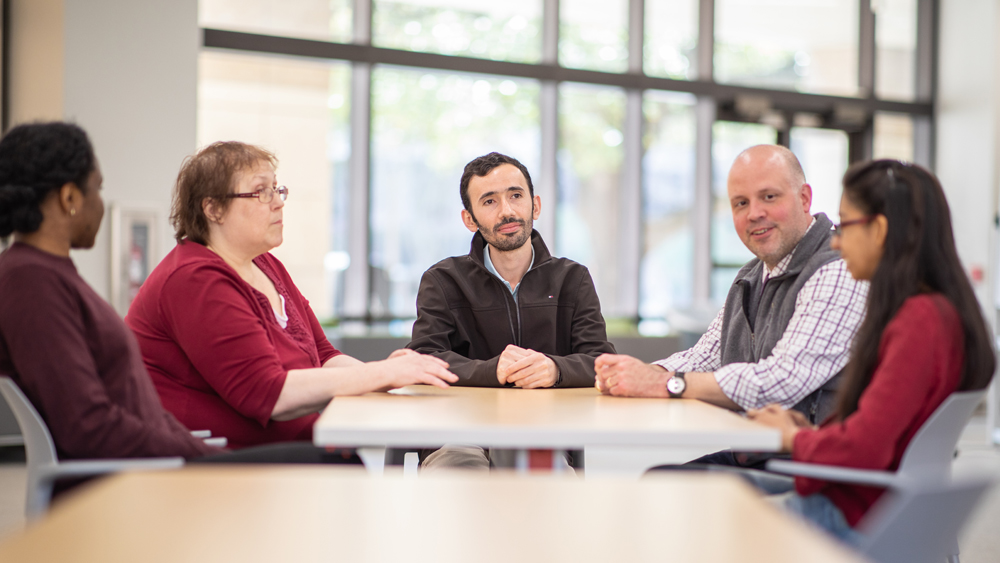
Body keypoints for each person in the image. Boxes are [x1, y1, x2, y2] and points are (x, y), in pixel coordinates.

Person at [126, 142, 457, 450]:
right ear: (213, 208)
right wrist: (379, 374)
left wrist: (385, 376)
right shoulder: (194, 278)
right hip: (213, 463)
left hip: (286, 449)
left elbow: (323, 355)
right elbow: (268, 395)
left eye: (277, 189)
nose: (278, 201)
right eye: (260, 192)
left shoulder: (266, 264)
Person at [747, 160, 995, 544]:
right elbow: (886, 433)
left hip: (858, 515)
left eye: (845, 226)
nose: (835, 242)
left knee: (700, 505)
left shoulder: (919, 321)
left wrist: (791, 439)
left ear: (879, 230)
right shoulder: (943, 314)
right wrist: (809, 433)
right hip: (887, 509)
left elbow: (866, 447)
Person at [595, 144, 869, 469]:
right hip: (759, 454)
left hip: (813, 468)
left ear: (805, 198)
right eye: (741, 203)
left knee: (667, 485)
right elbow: (706, 356)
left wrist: (663, 383)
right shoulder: (751, 276)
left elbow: (778, 383)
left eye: (769, 197)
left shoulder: (838, 270)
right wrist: (642, 373)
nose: (754, 213)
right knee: (661, 481)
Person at [0, 122, 220, 461]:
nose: (100, 204)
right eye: (97, 189)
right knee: (309, 461)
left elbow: (141, 413)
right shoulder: (31, 282)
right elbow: (88, 425)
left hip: (158, 470)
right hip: (125, 489)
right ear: (70, 197)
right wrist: (208, 459)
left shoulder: (47, 274)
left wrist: (206, 454)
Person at [407, 152, 616, 469]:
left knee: (547, 491)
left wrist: (555, 369)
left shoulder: (572, 279)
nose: (507, 211)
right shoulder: (443, 280)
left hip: (543, 434)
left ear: (536, 205)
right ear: (469, 219)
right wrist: (492, 371)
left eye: (516, 196)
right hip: (457, 432)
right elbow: (423, 358)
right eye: (489, 201)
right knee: (457, 483)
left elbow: (600, 360)